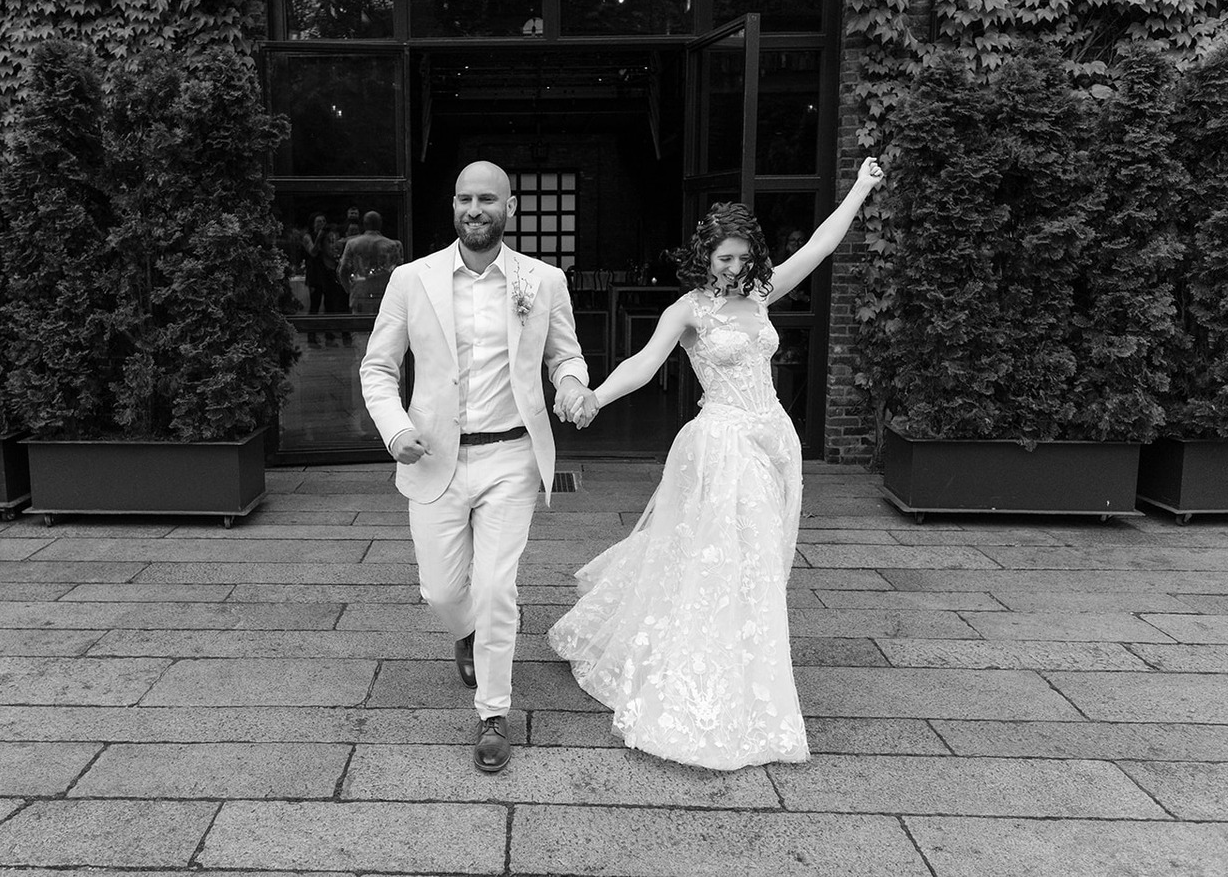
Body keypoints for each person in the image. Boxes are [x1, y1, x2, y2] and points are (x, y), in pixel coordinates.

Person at [548, 156, 886, 770]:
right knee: (731, 559)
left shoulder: (763, 293)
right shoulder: (689, 311)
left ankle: (743, 662)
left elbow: (820, 245)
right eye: (723, 257)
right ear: (706, 257)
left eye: (742, 257)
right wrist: (594, 395)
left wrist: (861, 187)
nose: (734, 267)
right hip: (723, 445)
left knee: (759, 558)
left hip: (773, 440)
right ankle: (719, 688)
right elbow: (643, 365)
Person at [359, 160, 595, 774]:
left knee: (496, 587)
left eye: (487, 199)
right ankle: (463, 631)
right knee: (442, 590)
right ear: (453, 206)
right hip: (434, 456)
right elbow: (378, 368)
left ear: (508, 208)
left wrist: (571, 387)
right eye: (464, 198)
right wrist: (396, 429)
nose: (474, 209)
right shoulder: (412, 280)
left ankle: (493, 713)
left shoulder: (542, 281)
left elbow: (565, 356)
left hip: (512, 457)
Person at [337, 210, 405, 316]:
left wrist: (349, 289)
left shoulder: (352, 244)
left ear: (364, 224)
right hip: (384, 293)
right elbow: (400, 273)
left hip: (359, 292)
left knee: (359, 329)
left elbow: (343, 270)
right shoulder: (392, 245)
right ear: (380, 224)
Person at [302, 212, 349, 345]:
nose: (321, 224)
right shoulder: (308, 237)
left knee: (330, 303)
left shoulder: (327, 236)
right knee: (315, 305)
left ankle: (329, 336)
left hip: (326, 272)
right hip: (314, 274)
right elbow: (313, 251)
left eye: (323, 221)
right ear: (313, 224)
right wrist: (320, 237)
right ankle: (311, 336)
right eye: (318, 222)